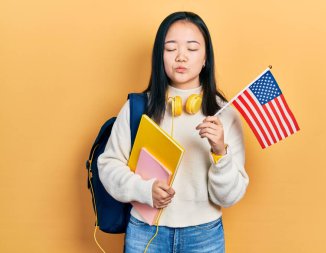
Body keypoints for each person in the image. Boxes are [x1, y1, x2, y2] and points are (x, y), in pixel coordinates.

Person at [98, 11, 249, 252]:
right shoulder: (138, 107)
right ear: (160, 56)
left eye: (192, 48)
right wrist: (144, 190)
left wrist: (220, 152)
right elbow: (107, 166)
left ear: (205, 58)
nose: (181, 56)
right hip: (144, 231)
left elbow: (228, 197)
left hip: (204, 236)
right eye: (170, 49)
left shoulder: (224, 113)